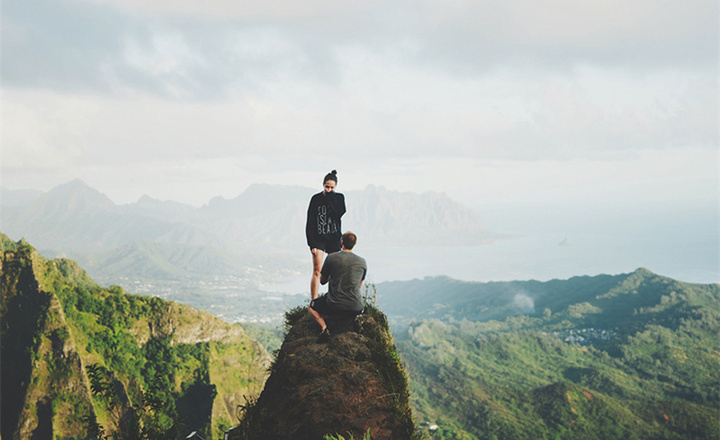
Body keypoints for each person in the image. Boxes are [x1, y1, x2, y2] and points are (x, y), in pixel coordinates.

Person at [308, 231, 367, 341]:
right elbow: (359, 285)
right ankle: (354, 320)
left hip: (334, 306)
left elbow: (322, 281)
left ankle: (324, 328)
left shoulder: (331, 258)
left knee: (311, 306)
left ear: (341, 242)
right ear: (354, 244)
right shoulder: (362, 262)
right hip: (356, 307)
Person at [306, 170, 346, 302]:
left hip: (334, 238)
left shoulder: (339, 198)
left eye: (332, 187)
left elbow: (338, 213)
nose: (329, 189)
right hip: (318, 239)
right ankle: (314, 300)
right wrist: (311, 244)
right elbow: (310, 221)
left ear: (336, 187)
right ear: (323, 185)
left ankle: (333, 298)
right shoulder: (315, 199)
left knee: (334, 270)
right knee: (317, 269)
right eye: (327, 186)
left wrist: (330, 199)